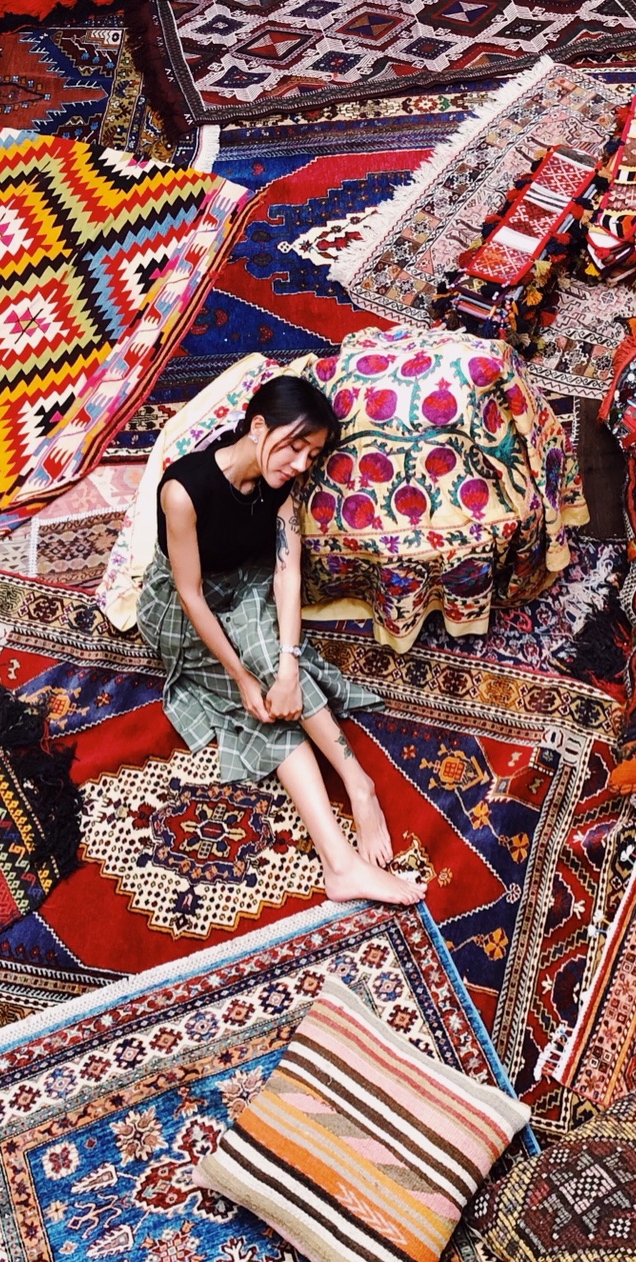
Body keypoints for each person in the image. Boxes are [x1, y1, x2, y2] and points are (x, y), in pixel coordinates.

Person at [136, 376, 427, 906]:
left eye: (311, 454)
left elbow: (285, 572)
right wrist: (242, 679)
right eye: (295, 446)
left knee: (276, 665)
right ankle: (341, 863)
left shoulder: (281, 486)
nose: (300, 464)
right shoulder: (183, 491)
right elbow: (190, 594)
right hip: (184, 609)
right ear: (258, 426)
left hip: (246, 586)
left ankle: (357, 785)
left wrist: (289, 666)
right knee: (260, 702)